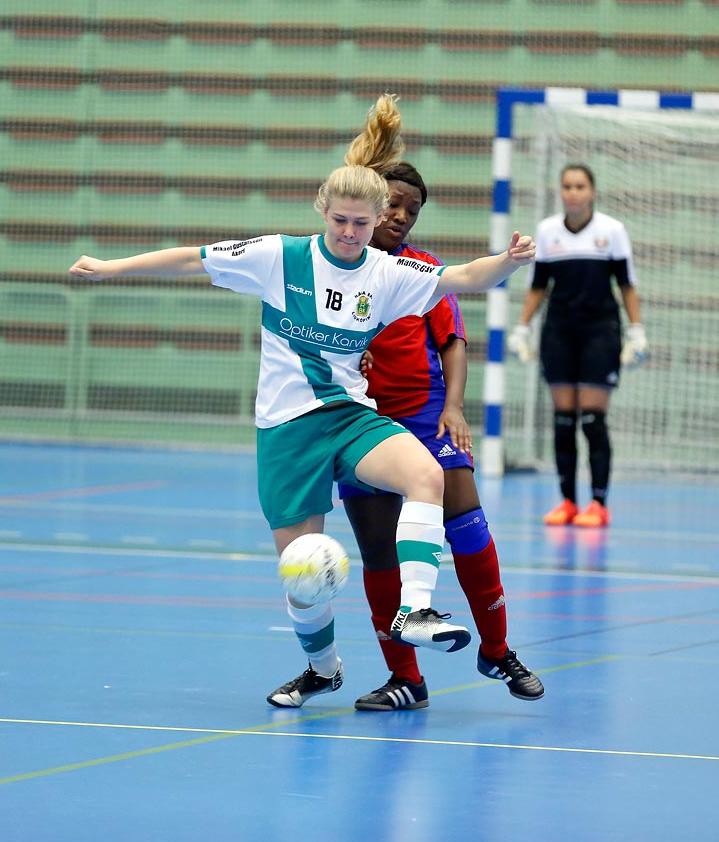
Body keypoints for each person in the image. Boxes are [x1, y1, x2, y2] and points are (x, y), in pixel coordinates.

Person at [69, 95, 536, 708]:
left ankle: (416, 611)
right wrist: (108, 268)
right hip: (287, 430)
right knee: (303, 581)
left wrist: (508, 260)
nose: (349, 232)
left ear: (378, 223)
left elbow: (466, 279)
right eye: (339, 220)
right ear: (324, 211)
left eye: (361, 224)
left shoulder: (388, 274)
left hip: (348, 417)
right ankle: (324, 668)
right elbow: (189, 259)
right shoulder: (277, 257)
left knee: (427, 474)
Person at [340, 161, 544, 711]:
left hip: (428, 416)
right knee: (380, 552)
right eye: (393, 204)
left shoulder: (424, 270)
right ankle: (406, 679)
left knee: (469, 526)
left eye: (412, 209)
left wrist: (453, 406)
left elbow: (453, 341)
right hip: (362, 423)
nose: (401, 216)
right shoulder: (336, 270)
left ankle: (497, 650)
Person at [509, 163, 646, 528]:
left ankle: (599, 503)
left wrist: (636, 331)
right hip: (559, 333)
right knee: (563, 420)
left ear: (592, 191)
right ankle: (568, 501)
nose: (573, 192)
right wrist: (522, 327)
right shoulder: (548, 232)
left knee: (592, 420)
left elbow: (627, 286)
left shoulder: (612, 231)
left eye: (580, 186)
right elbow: (539, 286)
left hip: (600, 333)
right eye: (567, 186)